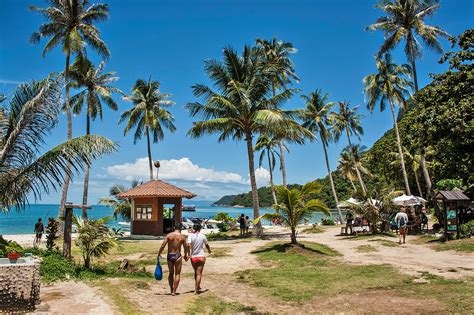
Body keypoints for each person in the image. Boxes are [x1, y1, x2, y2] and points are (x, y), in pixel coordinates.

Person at [157, 223, 188, 296]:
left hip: (170, 255)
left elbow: (162, 246)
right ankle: (174, 291)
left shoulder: (169, 235)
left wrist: (159, 254)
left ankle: (171, 289)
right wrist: (186, 255)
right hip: (178, 256)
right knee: (177, 274)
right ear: (181, 228)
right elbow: (186, 247)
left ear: (174, 227)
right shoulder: (182, 237)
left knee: (171, 273)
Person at [187, 224, 212, 294]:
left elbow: (188, 246)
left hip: (193, 257)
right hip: (201, 257)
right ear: (200, 229)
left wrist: (188, 254)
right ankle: (196, 289)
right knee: (199, 274)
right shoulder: (203, 236)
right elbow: (207, 245)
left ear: (194, 229)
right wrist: (209, 251)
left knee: (196, 272)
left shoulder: (190, 236)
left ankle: (197, 286)